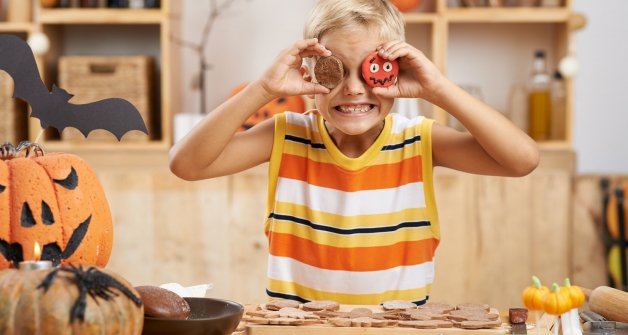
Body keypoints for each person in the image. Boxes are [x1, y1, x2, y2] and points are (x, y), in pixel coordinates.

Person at [169, 0, 539, 305]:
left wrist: (437, 88)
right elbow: (185, 164)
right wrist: (263, 88)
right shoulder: (287, 135)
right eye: (335, 71)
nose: (353, 89)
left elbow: (523, 160)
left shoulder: (419, 141)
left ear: (395, 72)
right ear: (311, 71)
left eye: (370, 70)